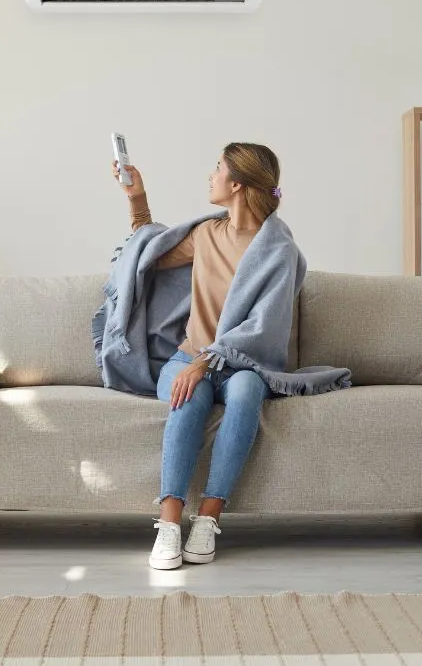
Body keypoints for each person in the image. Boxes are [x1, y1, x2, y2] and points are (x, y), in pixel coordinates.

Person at [111, 143, 288, 570]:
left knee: (246, 391)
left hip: (245, 363)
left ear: (237, 185)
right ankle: (170, 523)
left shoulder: (279, 249)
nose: (210, 176)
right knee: (187, 394)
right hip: (187, 357)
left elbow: (264, 328)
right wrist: (137, 198)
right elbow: (146, 255)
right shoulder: (207, 234)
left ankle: (209, 518)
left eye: (217, 168)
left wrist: (205, 363)